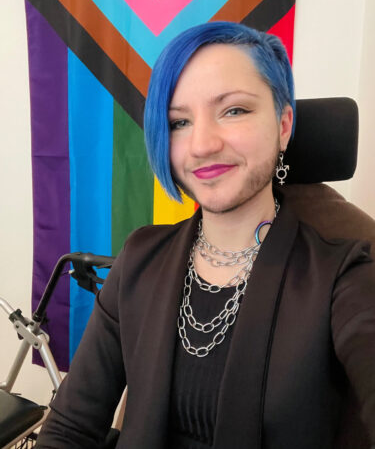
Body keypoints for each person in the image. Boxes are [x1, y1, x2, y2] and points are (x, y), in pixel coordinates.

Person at [36, 22, 375, 448]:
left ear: (284, 124)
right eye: (179, 121)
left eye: (234, 110)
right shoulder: (141, 257)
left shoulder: (344, 275)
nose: (201, 145)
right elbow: (71, 427)